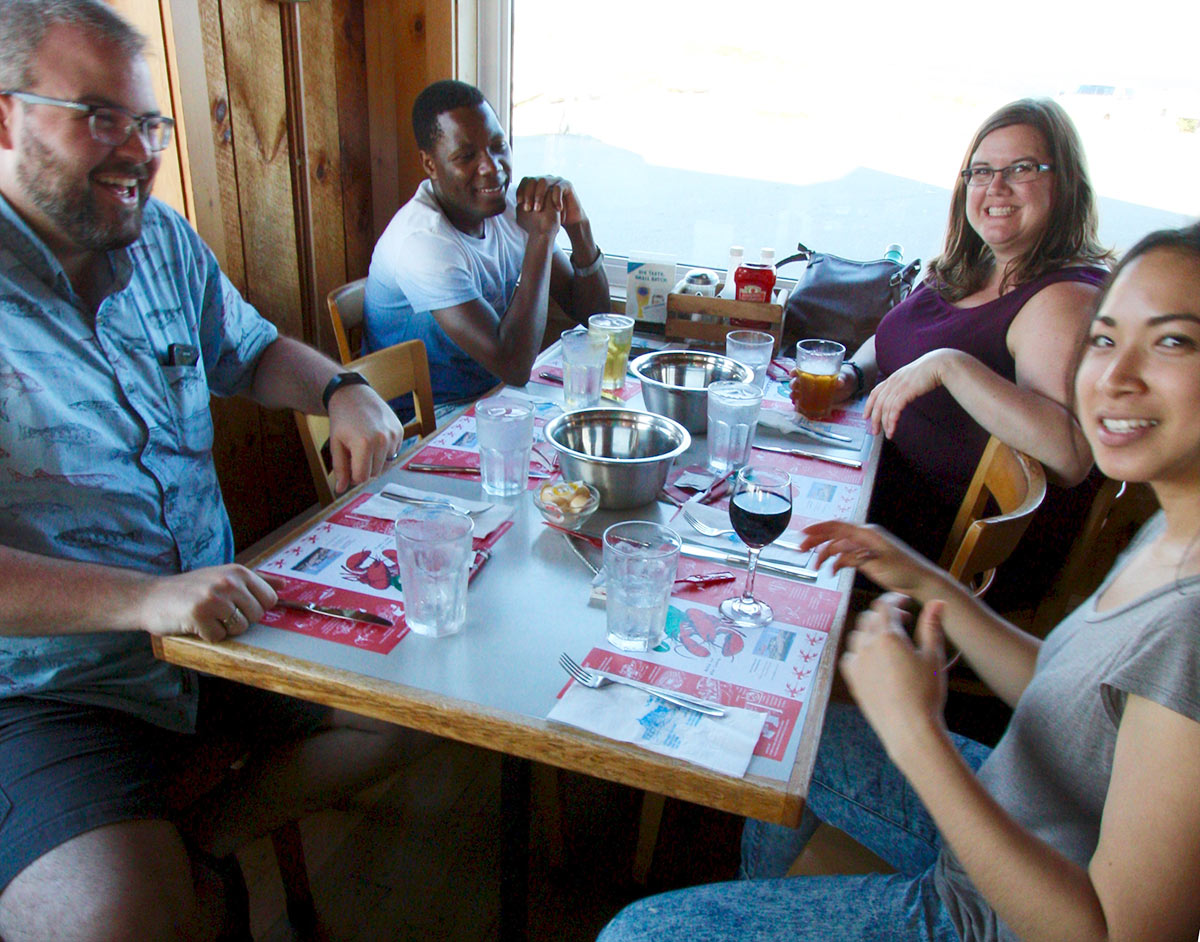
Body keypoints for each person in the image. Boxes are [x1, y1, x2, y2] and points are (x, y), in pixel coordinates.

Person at [601, 222, 1200, 941]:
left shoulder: (1188, 629)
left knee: (633, 934)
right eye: (1103, 339)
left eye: (1173, 341)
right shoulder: (1170, 533)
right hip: (1009, 801)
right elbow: (1073, 700)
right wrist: (921, 578)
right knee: (786, 734)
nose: (1114, 377)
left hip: (991, 910)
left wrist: (915, 733)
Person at [0, 2, 425, 937]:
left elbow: (255, 350)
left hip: (219, 623)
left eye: (150, 124)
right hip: (51, 690)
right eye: (99, 117)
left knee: (414, 708)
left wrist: (344, 387)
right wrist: (146, 600)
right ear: (6, 117)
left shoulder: (161, 239)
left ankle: (201, 844)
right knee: (113, 923)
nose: (138, 151)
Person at [794, 100, 1113, 608]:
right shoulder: (976, 264)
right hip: (884, 485)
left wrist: (951, 367)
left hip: (948, 556)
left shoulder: (1062, 299)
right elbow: (897, 338)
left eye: (1021, 169)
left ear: (1066, 183)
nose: (996, 187)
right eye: (981, 171)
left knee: (758, 516)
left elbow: (1070, 454)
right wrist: (852, 375)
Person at [363, 79, 611, 408]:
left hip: (492, 397)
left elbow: (595, 317)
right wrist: (540, 238)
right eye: (466, 156)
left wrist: (578, 226)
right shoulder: (423, 242)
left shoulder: (509, 207)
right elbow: (515, 366)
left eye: (498, 146)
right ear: (430, 165)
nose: (492, 167)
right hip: (421, 420)